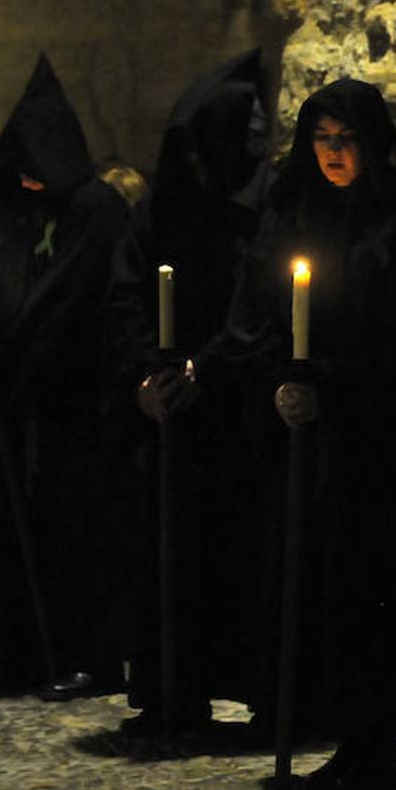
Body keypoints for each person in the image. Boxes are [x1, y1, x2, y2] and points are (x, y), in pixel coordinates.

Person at [216, 78, 396, 789]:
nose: (334, 153)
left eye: (347, 140)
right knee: (301, 579)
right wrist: (279, 382)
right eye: (322, 139)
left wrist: (333, 391)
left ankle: (370, 738)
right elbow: (254, 315)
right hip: (298, 439)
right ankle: (305, 716)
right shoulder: (290, 214)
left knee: (364, 587)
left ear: (373, 144)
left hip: (369, 440)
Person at [110, 48, 272, 735]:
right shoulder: (160, 210)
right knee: (170, 552)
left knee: (243, 554)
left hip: (238, 413)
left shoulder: (259, 206)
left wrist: (206, 368)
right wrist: (150, 372)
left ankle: (261, 690)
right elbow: (125, 294)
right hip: (171, 413)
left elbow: (262, 304)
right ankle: (174, 688)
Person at [0, 54, 133, 697]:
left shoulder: (94, 207)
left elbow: (65, 297)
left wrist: (10, 359)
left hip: (88, 399)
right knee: (50, 523)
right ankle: (41, 645)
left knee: (83, 529)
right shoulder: (40, 216)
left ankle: (90, 653)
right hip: (53, 399)